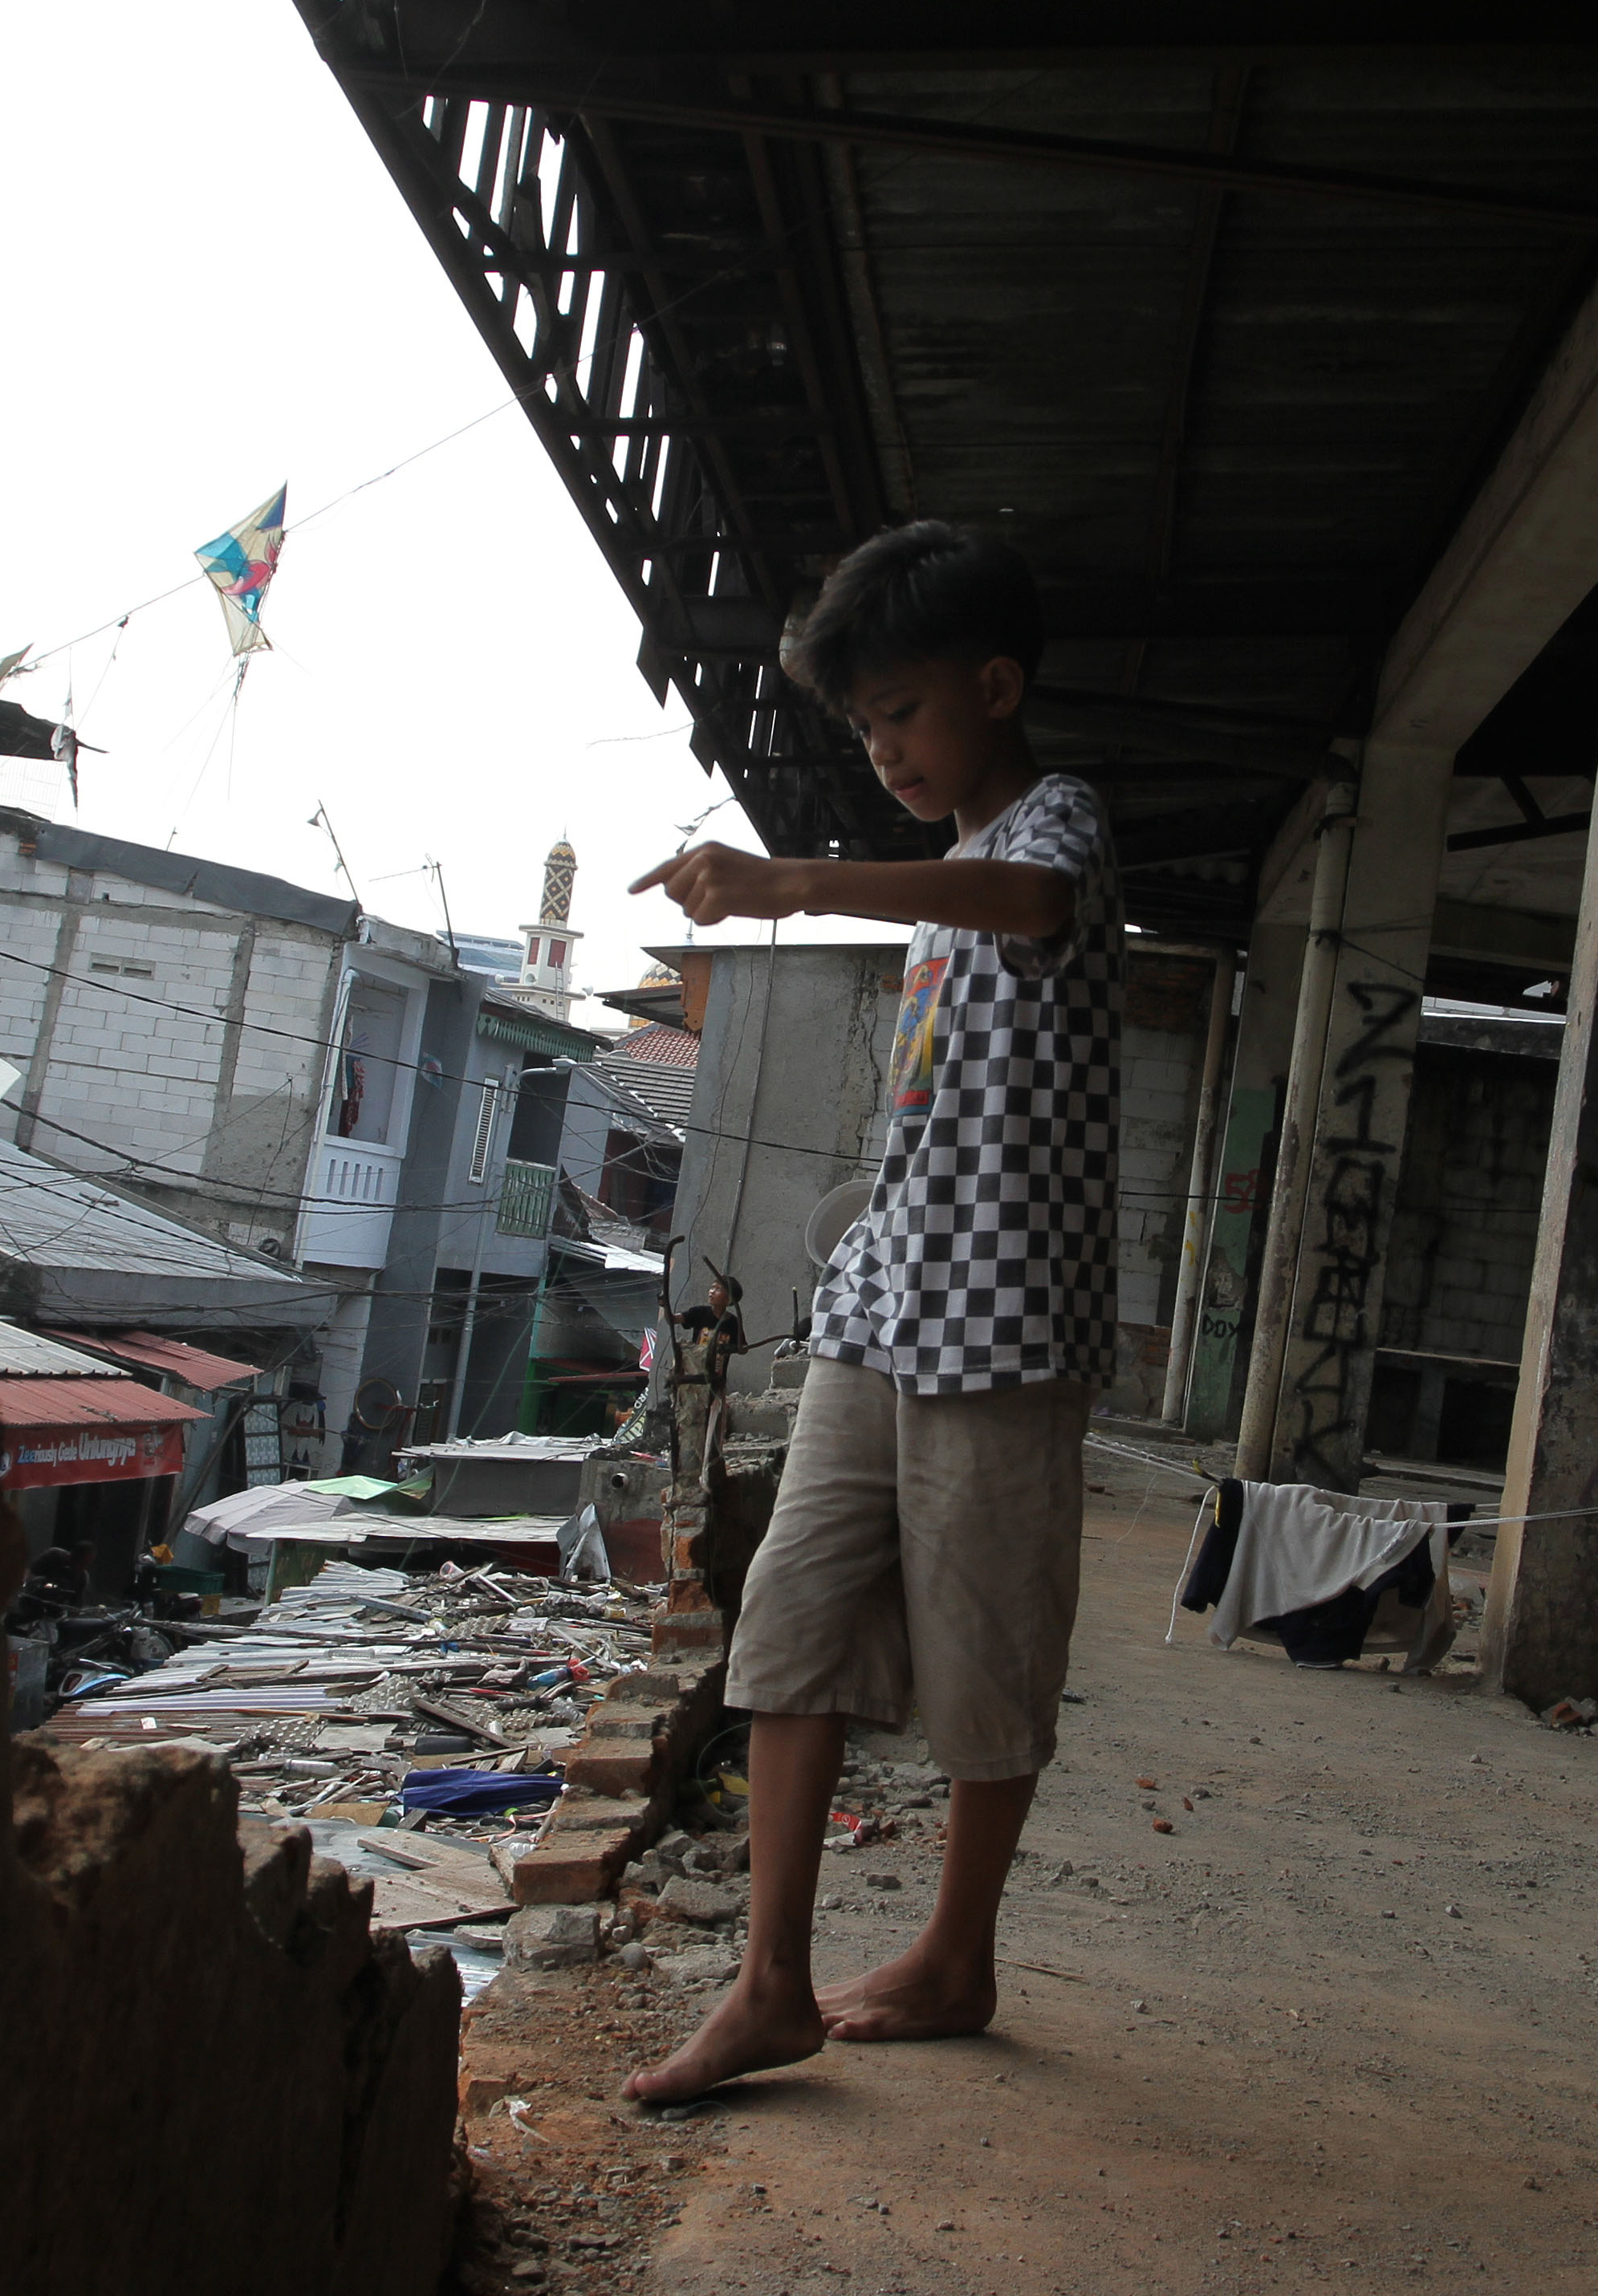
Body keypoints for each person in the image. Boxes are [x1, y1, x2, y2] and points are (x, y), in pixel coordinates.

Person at [618, 521, 1120, 2102]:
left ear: (994, 685)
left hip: (1004, 1321)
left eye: (902, 713)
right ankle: (769, 1984)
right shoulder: (950, 878)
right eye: (865, 730)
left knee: (986, 1650)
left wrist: (790, 883)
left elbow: (1029, 902)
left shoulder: (1058, 831)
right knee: (790, 1623)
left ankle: (958, 1958)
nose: (885, 750)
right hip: (882, 1300)